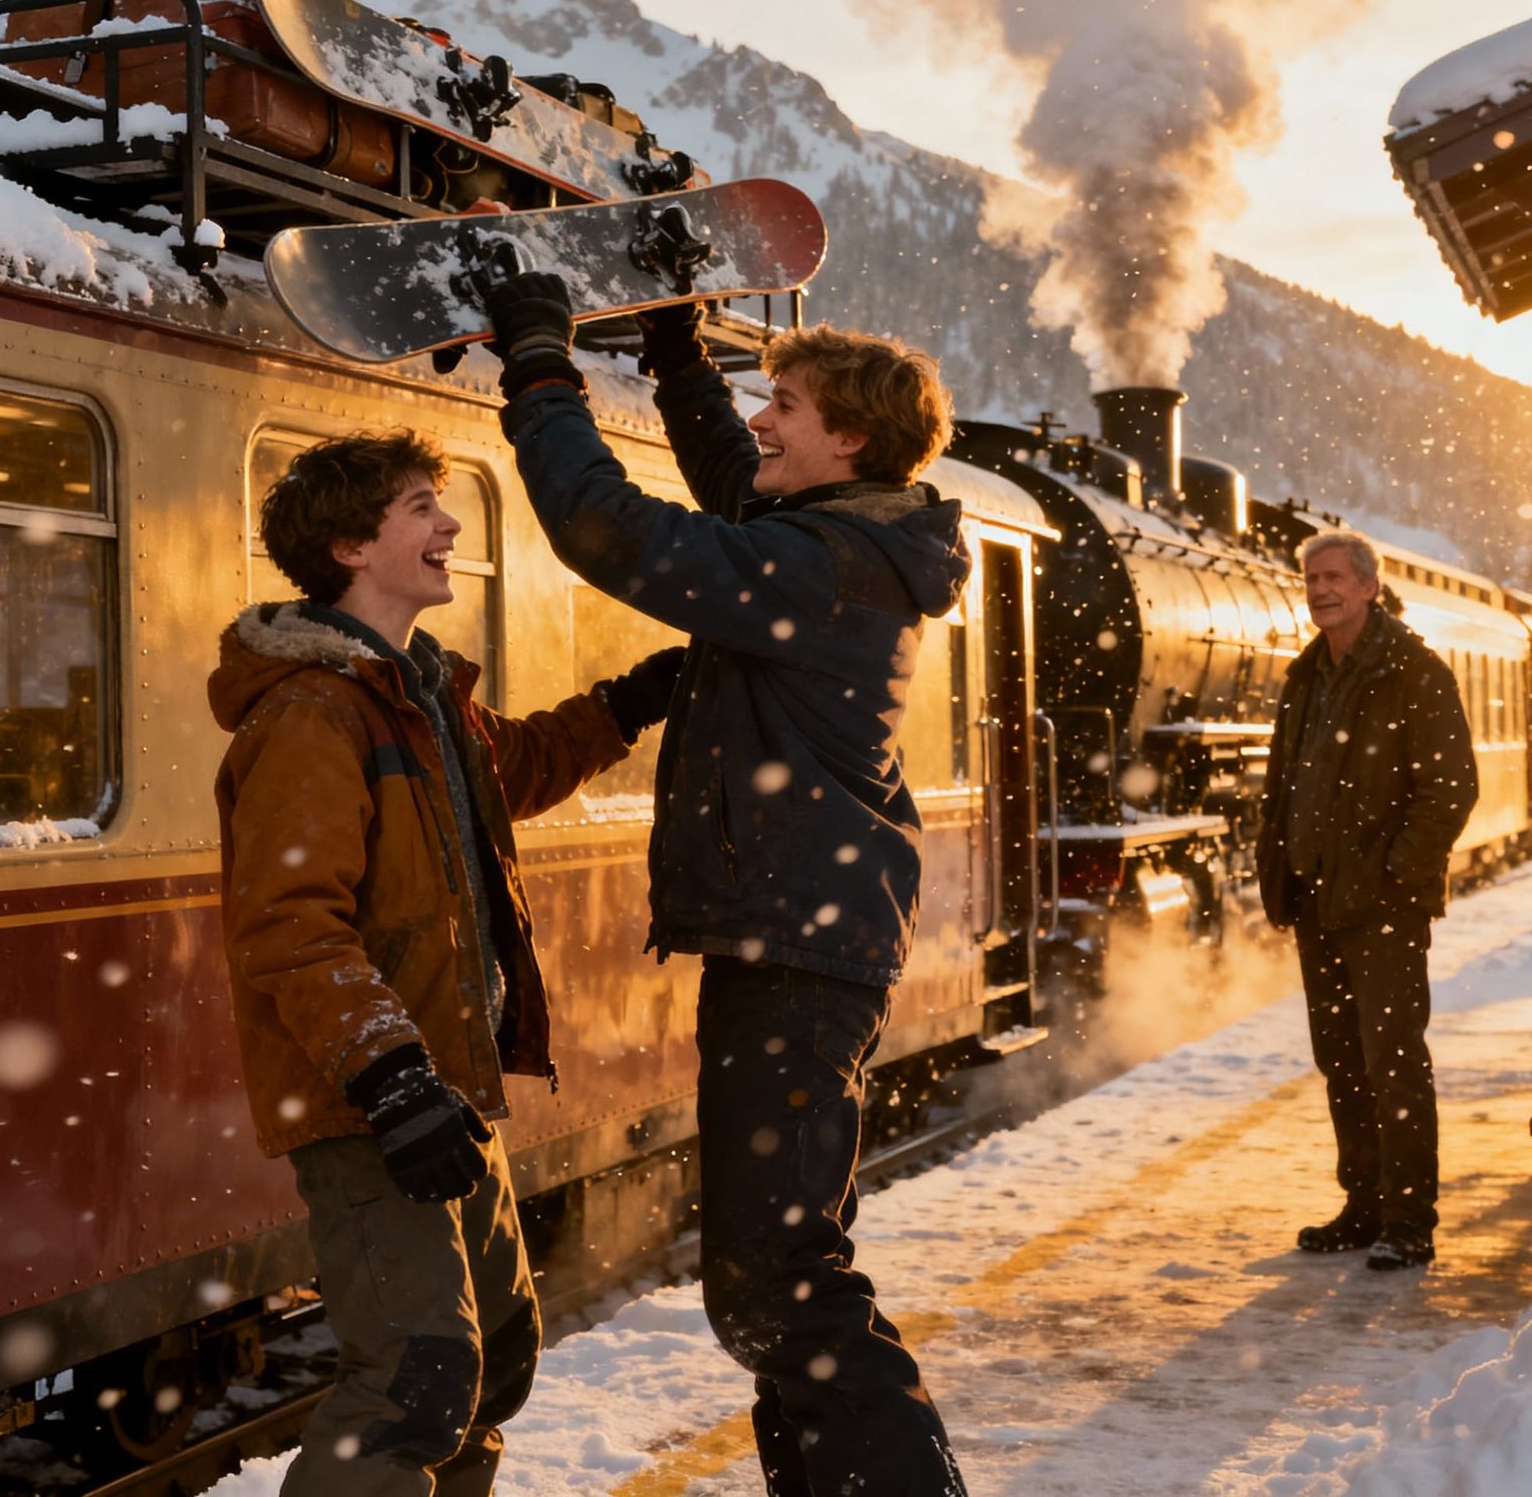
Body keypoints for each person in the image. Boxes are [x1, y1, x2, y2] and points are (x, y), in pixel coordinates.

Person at [479, 274, 971, 1496]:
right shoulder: (848, 541)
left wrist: (541, 373)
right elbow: (734, 490)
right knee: (773, 1281)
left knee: (778, 1284)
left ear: (847, 437)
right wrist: (677, 362)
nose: (763, 422)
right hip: (798, 939)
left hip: (800, 954)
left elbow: (616, 533)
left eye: (784, 404)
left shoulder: (822, 565)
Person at [209, 430, 679, 1496]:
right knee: (416, 1378)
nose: (450, 524)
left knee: (488, 1362)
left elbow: (506, 771)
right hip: (374, 1101)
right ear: (348, 546)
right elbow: (289, 919)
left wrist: (631, 701)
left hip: (442, 1086)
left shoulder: (415, 695)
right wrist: (388, 1074)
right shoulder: (309, 713)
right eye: (422, 506)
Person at [1257, 531, 1477, 1272]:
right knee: (1341, 1060)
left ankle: (1410, 1221)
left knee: (1394, 1061)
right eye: (1311, 577)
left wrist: (1395, 878)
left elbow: (1450, 790)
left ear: (1370, 588)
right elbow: (1282, 786)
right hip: (1318, 901)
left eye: (1335, 578)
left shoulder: (1414, 671)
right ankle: (1364, 1205)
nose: (1320, 589)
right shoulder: (1306, 676)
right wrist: (1277, 869)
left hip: (1384, 907)